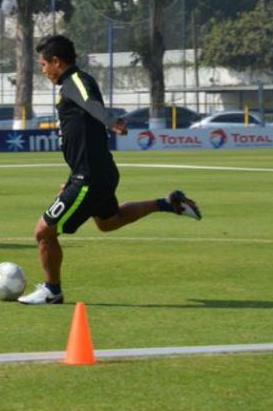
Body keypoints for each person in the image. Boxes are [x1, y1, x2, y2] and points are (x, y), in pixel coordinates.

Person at [18, 35, 202, 305]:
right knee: (108, 221)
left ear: (57, 62)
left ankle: (52, 291)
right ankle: (168, 204)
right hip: (94, 172)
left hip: (89, 177)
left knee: (44, 232)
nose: (43, 70)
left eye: (44, 64)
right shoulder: (71, 84)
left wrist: (111, 121)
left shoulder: (76, 82)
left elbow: (93, 105)